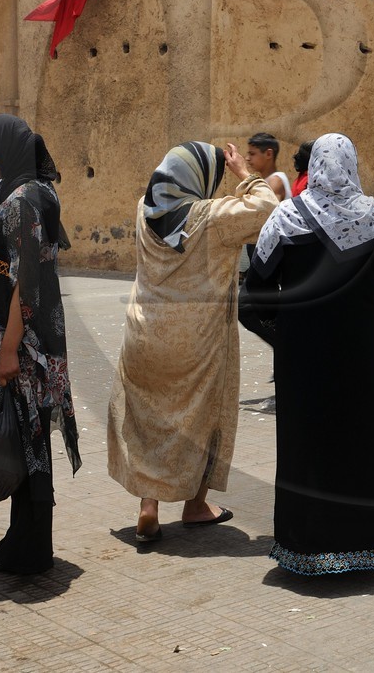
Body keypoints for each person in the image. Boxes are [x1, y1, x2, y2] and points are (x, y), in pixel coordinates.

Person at [241, 134, 374, 575]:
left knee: (309, 445)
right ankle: (369, 547)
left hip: (303, 360)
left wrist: (287, 329)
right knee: (360, 441)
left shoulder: (286, 218)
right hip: (359, 358)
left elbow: (256, 296)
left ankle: (307, 549)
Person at [107, 141, 278, 542]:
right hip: (196, 341)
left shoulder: (143, 208)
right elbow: (269, 209)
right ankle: (196, 504)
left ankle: (149, 504)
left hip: (144, 335)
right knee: (205, 417)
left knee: (149, 419)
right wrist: (244, 175)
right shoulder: (212, 217)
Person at [0, 115, 80, 576]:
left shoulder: (24, 200)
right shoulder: (22, 192)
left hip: (26, 341)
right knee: (25, 435)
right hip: (22, 335)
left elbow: (26, 281)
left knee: (29, 440)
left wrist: (10, 347)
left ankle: (31, 552)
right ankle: (20, 543)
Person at [245, 132, 293, 202]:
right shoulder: (267, 180)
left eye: (252, 154)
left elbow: (268, 209)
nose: (248, 158)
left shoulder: (275, 181)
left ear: (268, 154)